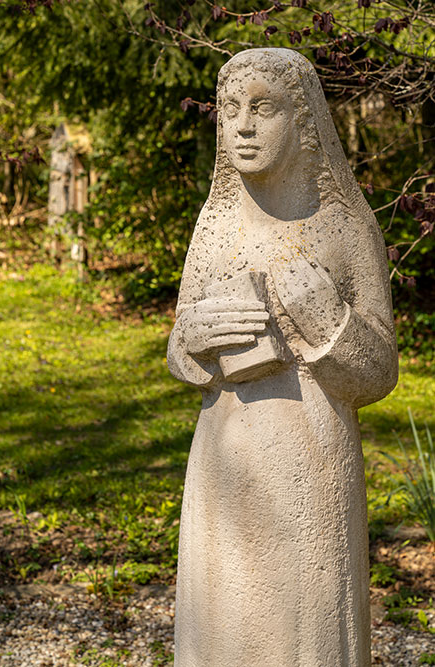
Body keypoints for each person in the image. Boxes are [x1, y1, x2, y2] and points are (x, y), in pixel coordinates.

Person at [167, 48, 398, 667]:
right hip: (224, 454)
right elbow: (179, 349)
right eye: (232, 110)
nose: (242, 125)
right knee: (221, 622)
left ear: (303, 122)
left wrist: (330, 324)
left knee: (306, 630)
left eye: (263, 108)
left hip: (311, 456)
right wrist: (194, 339)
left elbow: (379, 374)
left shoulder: (344, 228)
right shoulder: (215, 226)